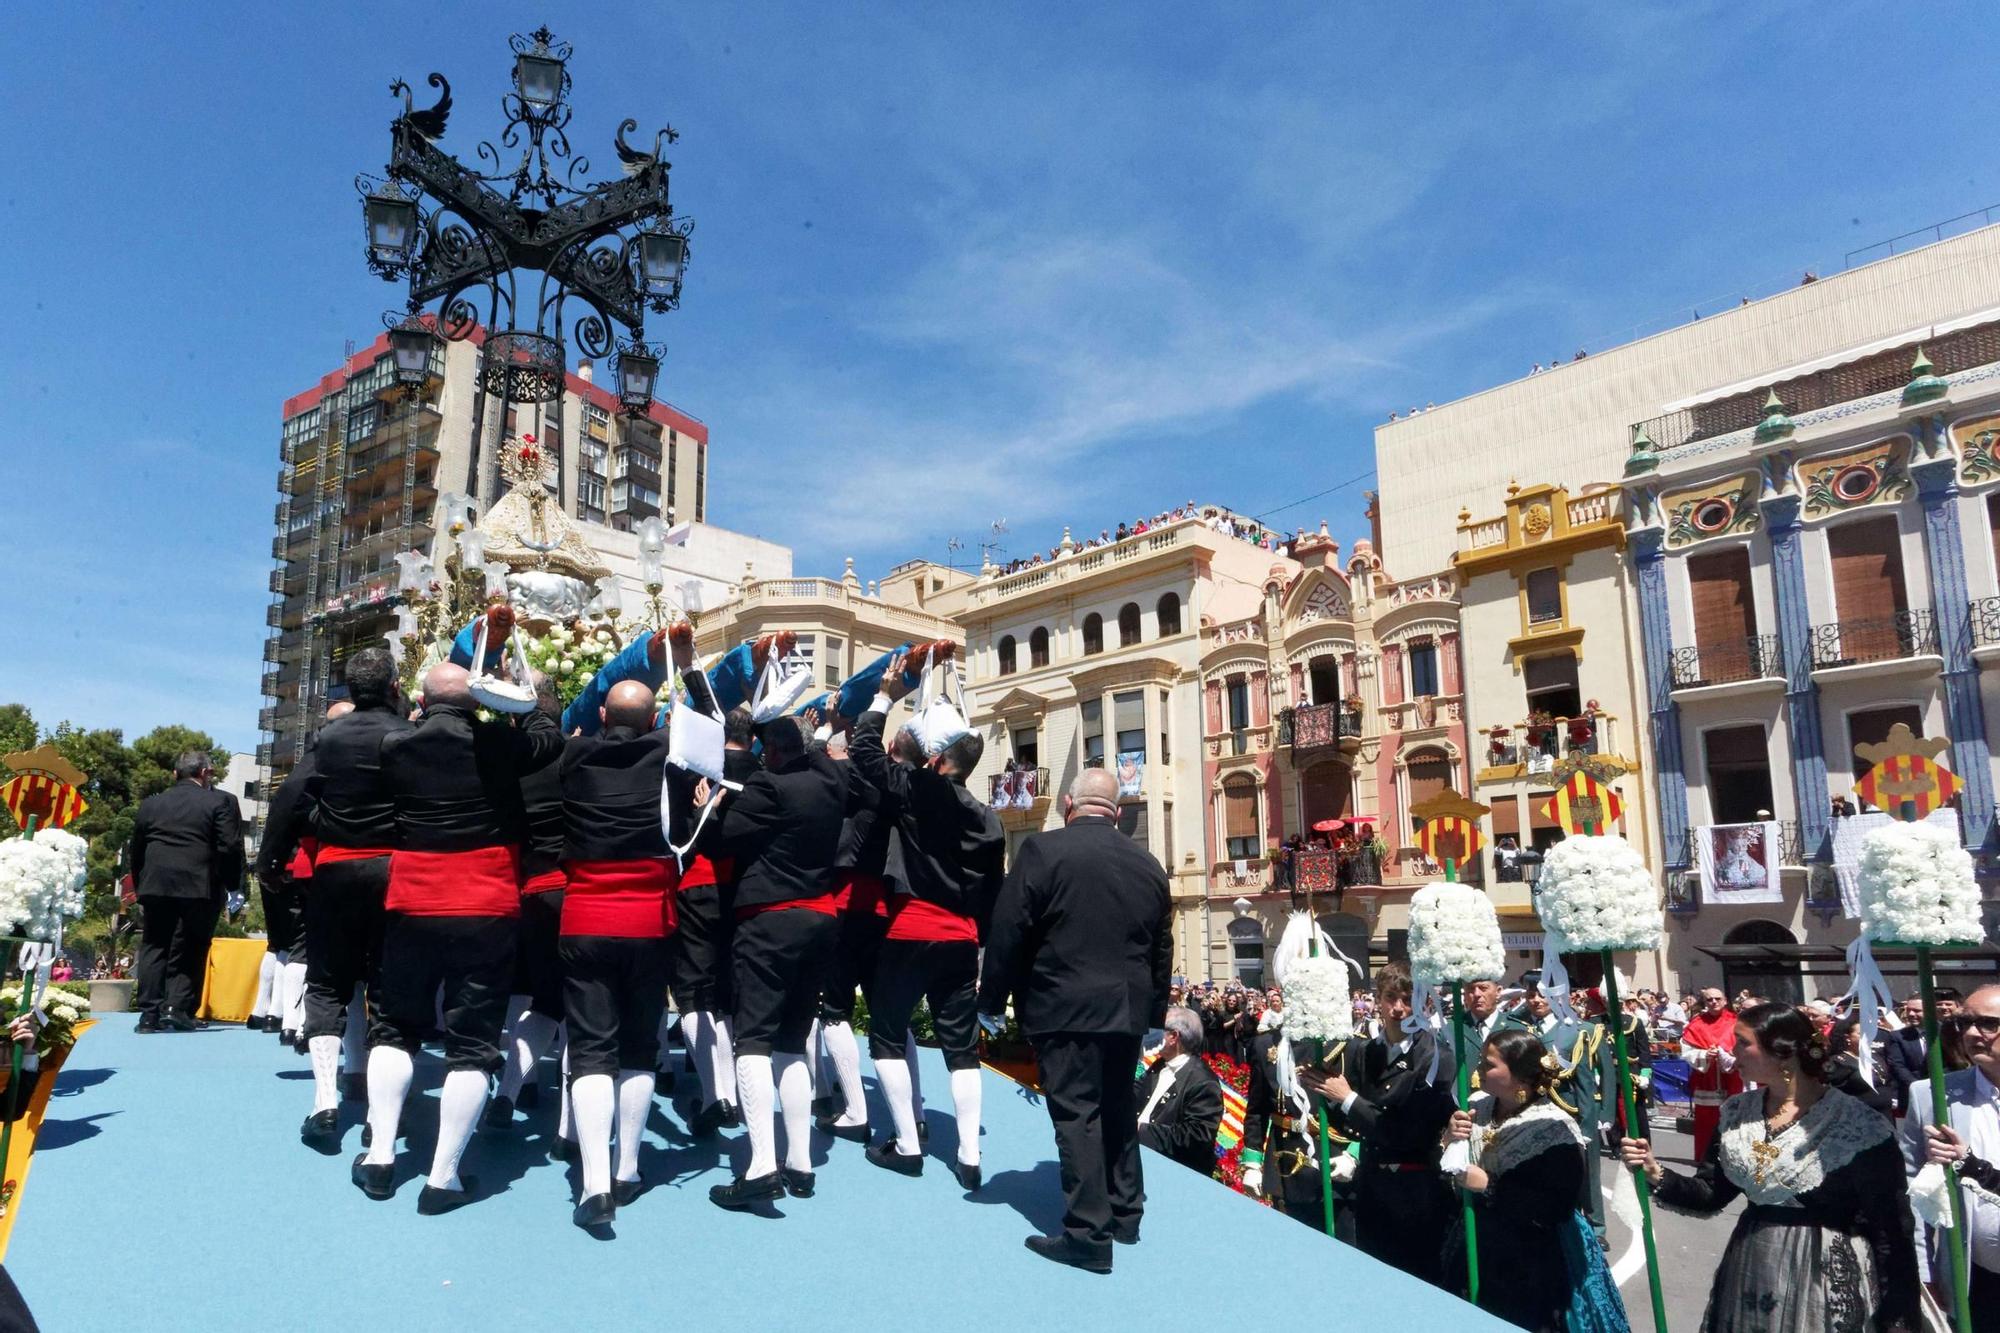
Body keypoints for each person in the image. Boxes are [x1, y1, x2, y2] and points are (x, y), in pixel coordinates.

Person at [352, 657, 561, 1214]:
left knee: (394, 1028)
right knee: (473, 1042)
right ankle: (442, 1178)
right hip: (485, 899)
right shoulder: (496, 744)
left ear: (422, 699)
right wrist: (521, 700)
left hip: (414, 897)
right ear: (474, 701)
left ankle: (378, 1155)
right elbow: (546, 741)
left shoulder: (395, 745)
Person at [1621, 1002, 1926, 1331]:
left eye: (1742, 1042)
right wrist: (1655, 1172)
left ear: (1782, 1052)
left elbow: (1891, 1226)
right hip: (1752, 1271)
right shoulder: (1738, 1112)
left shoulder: (1858, 1121)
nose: (1732, 1050)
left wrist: (1898, 1312)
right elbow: (1711, 1192)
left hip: (1826, 1280)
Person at [977, 767, 1173, 1274]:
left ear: (1069, 804)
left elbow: (1009, 929)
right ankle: (1126, 1214)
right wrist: (1152, 1014)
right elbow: (1161, 948)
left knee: (1077, 1114)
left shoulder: (1043, 852)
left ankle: (1088, 1233)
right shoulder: (1149, 864)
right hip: (1125, 1010)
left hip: (1062, 1004)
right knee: (1115, 1109)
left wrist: (992, 1000)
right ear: (1119, 812)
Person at [851, 649, 1004, 1190]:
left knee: (888, 1037)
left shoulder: (919, 790)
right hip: (963, 940)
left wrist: (884, 697)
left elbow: (866, 753)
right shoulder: (989, 820)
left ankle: (907, 1145)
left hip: (911, 928)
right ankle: (968, 1155)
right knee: (962, 1050)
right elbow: (993, 894)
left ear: (938, 759)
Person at [698, 712, 846, 1210]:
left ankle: (761, 1166)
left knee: (753, 1043)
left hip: (770, 919)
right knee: (792, 1042)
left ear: (774, 753)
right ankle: (800, 1164)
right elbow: (825, 756)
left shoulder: (768, 786)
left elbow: (724, 836)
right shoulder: (829, 781)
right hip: (820, 918)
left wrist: (711, 804)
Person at [554, 679, 679, 1229]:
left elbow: (570, 721)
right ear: (655, 721)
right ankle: (628, 1168)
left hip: (585, 918)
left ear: (603, 715)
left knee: (590, 1053)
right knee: (637, 1048)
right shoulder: (669, 758)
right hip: (650, 922)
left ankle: (595, 1185)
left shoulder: (576, 755)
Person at [1442, 1029, 1630, 1332]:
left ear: (1519, 1074)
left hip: (1531, 1254)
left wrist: (1488, 1185)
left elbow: (1555, 1204)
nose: (1479, 1070)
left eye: (1489, 1065)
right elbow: (1452, 1172)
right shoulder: (1478, 1107)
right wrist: (1450, 1138)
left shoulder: (1554, 1127)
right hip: (1475, 1239)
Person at [297, 652, 412, 1148]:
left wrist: (271, 863)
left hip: (335, 869)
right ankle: (381, 1117)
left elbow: (294, 801)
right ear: (393, 686)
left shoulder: (327, 738)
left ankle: (325, 1101)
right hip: (396, 870)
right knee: (388, 990)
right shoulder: (411, 737)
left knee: (326, 984)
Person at [1300, 961, 1456, 1285]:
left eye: (1407, 999)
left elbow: (1403, 1130)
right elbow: (1349, 1114)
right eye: (1390, 998)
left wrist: (1345, 1098)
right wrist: (1324, 1088)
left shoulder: (1435, 1056)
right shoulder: (1366, 1050)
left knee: (1417, 1282)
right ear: (1377, 999)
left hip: (1416, 1190)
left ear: (1424, 1002)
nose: (1398, 1008)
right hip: (1371, 1188)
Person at [1903, 982, 2000, 1330]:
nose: (1973, 1033)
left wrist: (1969, 1164)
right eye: (1965, 1022)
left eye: (1989, 1023)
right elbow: (1914, 1191)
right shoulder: (1933, 1097)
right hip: (1975, 1278)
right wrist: (1924, 1271)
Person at [131, 749, 243, 1033]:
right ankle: (177, 1008)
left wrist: (141, 883)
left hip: (156, 883)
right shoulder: (218, 802)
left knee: (154, 946)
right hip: (198, 883)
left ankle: (148, 1014)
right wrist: (232, 884)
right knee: (191, 945)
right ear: (204, 773)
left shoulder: (151, 805)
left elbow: (137, 849)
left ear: (174, 774)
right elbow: (228, 847)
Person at [1135, 1006, 1223, 1173]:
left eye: (1157, 1029)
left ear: (1173, 1037)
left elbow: (1197, 1136)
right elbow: (1133, 1095)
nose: (1150, 1034)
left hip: (1173, 1171)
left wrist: (1141, 1130)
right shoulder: (1159, 1065)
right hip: (1141, 1160)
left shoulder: (1203, 1082)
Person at [1681, 986, 1741, 1161]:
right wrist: (1704, 1055)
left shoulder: (1736, 1021)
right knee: (1707, 1122)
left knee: (1733, 1120)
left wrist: (1728, 1055)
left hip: (1732, 1078)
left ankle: (1732, 1159)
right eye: (1709, 999)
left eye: (1717, 998)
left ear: (1725, 1001)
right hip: (1706, 1080)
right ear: (1704, 1002)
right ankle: (1705, 1158)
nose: (1714, 1002)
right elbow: (1686, 1051)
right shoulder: (1696, 1023)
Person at [1890, 989, 1963, 1115]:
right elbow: (1897, 1066)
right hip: (1912, 1096)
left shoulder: (1947, 1033)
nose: (1911, 1014)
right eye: (1908, 1010)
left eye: (1917, 1011)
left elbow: (1955, 1062)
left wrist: (1939, 1084)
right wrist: (1919, 1087)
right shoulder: (1898, 1037)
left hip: (1947, 1093)